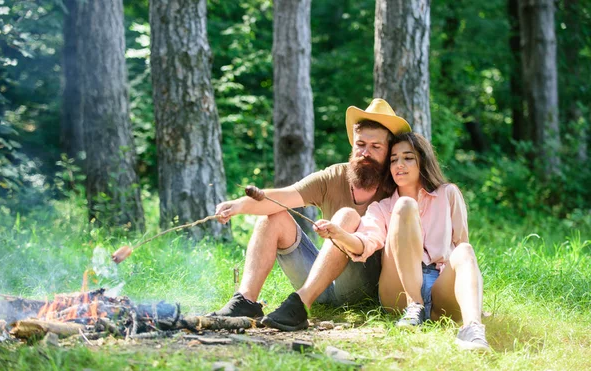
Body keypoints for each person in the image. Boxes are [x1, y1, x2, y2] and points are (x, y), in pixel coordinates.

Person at [209, 98, 411, 332]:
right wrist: (239, 205)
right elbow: (282, 196)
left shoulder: (396, 186)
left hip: (363, 285)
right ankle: (245, 302)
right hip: (321, 282)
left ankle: (300, 303)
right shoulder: (334, 176)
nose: (365, 152)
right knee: (273, 215)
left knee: (346, 216)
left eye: (376, 147)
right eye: (360, 144)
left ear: (388, 153)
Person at [313, 132, 490, 351]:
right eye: (394, 159)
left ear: (422, 161)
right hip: (397, 290)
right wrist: (340, 234)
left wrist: (472, 296)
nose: (399, 164)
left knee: (465, 249)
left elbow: (461, 249)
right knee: (405, 205)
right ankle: (414, 306)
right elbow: (365, 242)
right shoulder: (382, 207)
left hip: (439, 286)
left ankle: (472, 329)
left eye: (407, 158)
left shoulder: (448, 194)